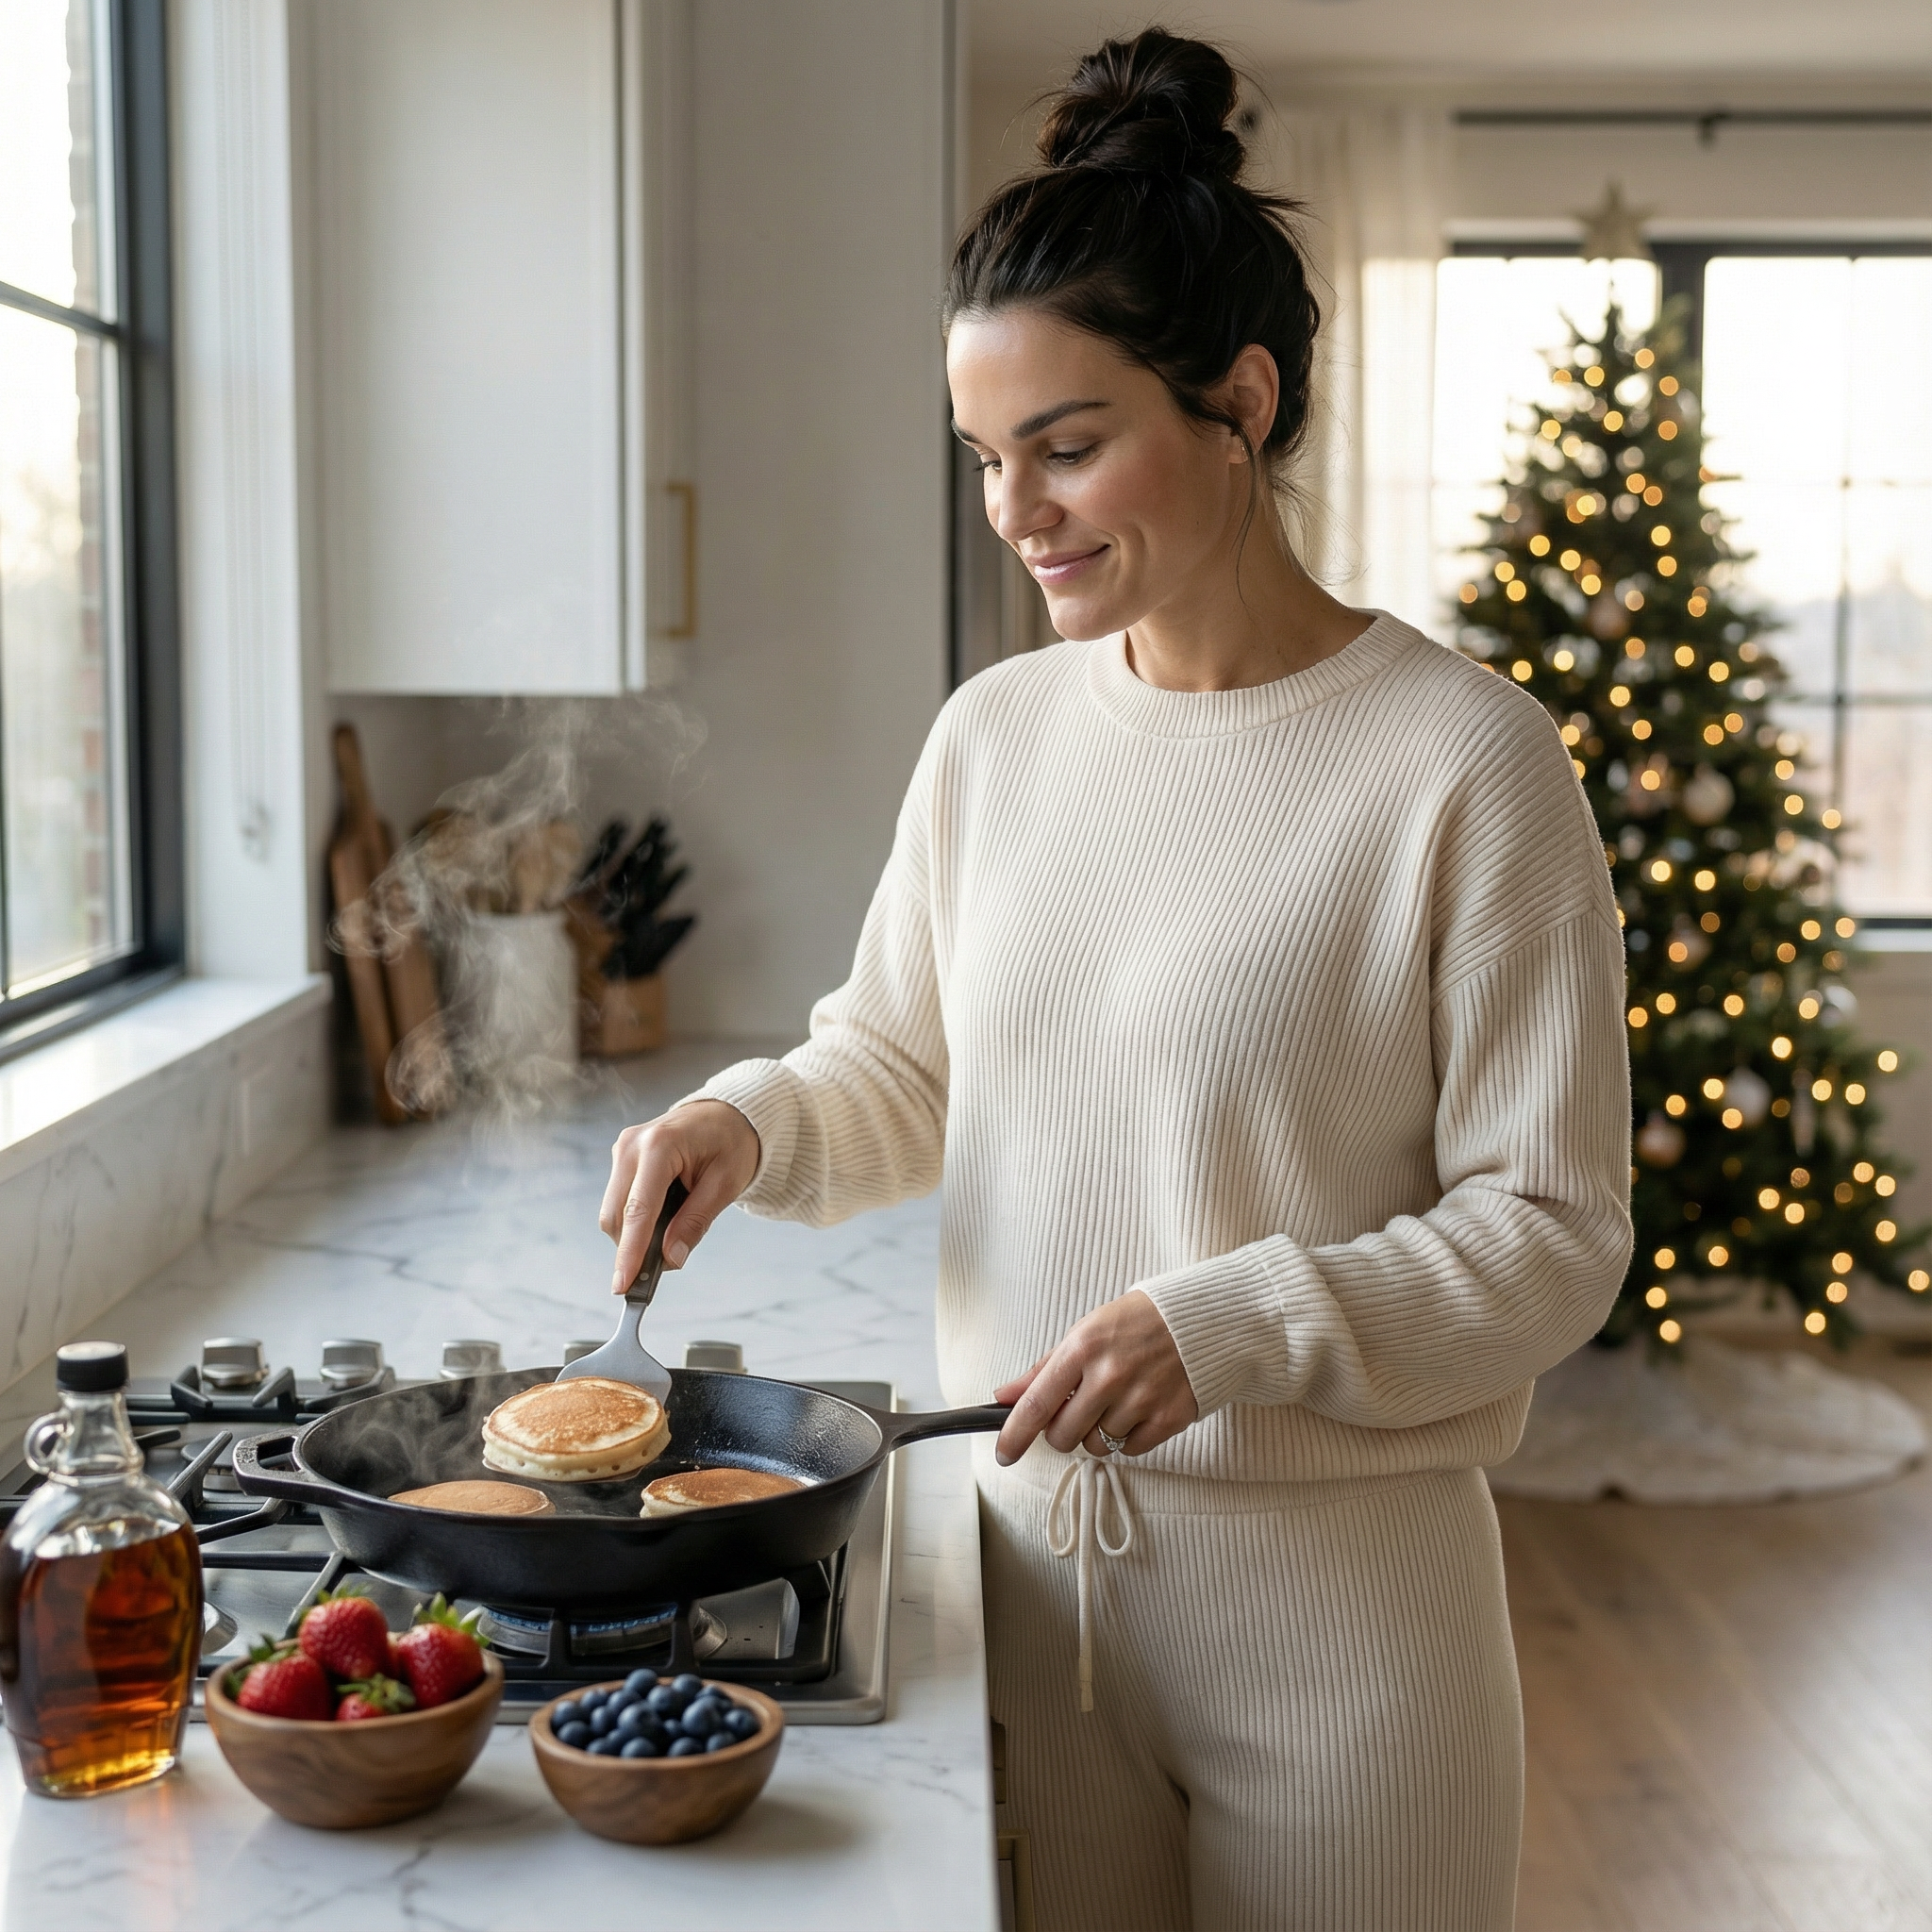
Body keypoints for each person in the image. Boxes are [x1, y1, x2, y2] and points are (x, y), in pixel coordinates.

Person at [600, 27, 1630, 1932]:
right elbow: (901, 1065)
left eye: (1068, 447)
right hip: (1021, 1584)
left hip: (1348, 1628)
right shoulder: (994, 738)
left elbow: (1553, 1236)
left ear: (1239, 402)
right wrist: (750, 1120)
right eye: (988, 459)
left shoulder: (1466, 764)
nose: (1018, 511)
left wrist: (1232, 1323)